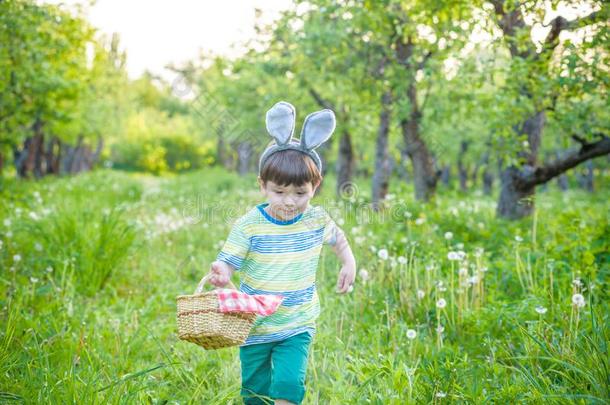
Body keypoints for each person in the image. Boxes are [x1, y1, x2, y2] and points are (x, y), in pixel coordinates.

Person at [208, 101, 357, 404]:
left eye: (300, 193)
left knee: (289, 383)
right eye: (279, 192)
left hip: (297, 322)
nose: (290, 202)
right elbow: (229, 259)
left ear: (315, 186)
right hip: (255, 324)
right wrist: (223, 270)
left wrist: (348, 262)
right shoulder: (250, 225)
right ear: (262, 185)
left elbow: (338, 239)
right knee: (255, 386)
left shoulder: (316, 219)